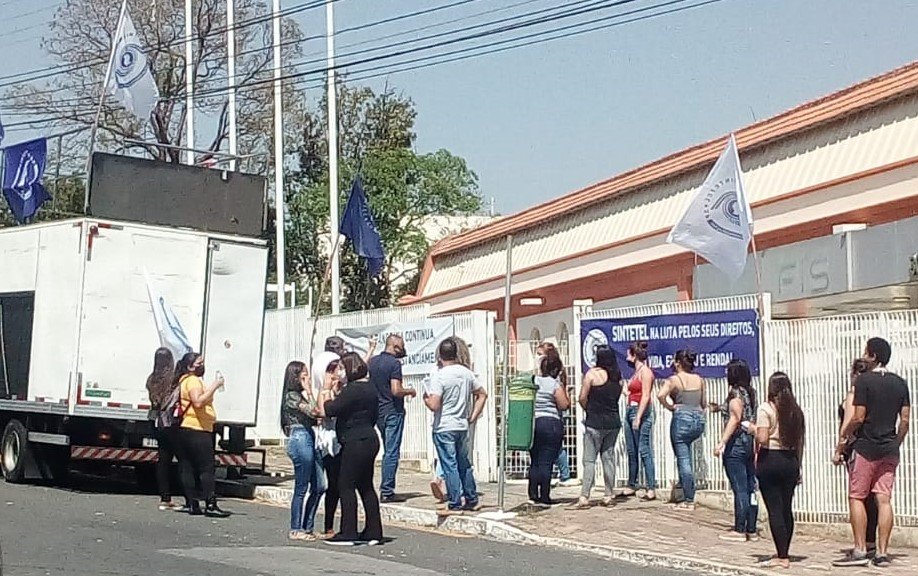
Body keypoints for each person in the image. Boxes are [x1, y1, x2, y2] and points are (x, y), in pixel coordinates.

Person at [835, 338, 910, 569]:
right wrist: (896, 441)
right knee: (884, 499)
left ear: (874, 356)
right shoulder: (900, 383)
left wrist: (843, 438)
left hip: (866, 447)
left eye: (867, 352)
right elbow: (905, 420)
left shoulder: (864, 381)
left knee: (857, 496)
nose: (864, 356)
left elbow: (858, 417)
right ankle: (883, 552)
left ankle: (860, 549)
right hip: (889, 449)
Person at [320, 352, 383, 546]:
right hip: (369, 438)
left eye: (341, 368)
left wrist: (325, 390)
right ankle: (374, 531)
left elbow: (329, 410)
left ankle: (348, 532)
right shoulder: (371, 388)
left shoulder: (353, 389)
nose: (339, 372)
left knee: (345, 485)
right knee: (365, 485)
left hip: (354, 441)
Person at [424, 338, 489, 515]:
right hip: (461, 424)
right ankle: (471, 498)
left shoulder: (439, 376)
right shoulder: (466, 373)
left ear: (440, 356)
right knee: (464, 463)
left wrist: (426, 399)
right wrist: (473, 416)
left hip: (444, 425)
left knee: (449, 465)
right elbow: (482, 394)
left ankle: (454, 502)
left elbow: (435, 405)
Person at [755, 372, 805, 570]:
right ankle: (785, 550)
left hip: (771, 458)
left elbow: (762, 439)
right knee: (786, 507)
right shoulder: (796, 412)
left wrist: (752, 428)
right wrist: (798, 466)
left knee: (774, 508)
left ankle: (782, 555)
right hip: (790, 460)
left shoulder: (766, 409)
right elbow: (800, 442)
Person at [832, 359, 876, 565]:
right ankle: (870, 541)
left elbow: (849, 422)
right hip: (876, 447)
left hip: (856, 448)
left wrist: (839, 447)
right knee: (874, 497)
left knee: (858, 496)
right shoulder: (873, 393)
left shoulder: (854, 395)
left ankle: (861, 544)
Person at [175, 352, 230, 518]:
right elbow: (198, 401)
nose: (202, 365)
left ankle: (192, 502)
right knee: (206, 467)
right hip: (197, 428)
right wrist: (215, 385)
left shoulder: (184, 380)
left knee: (188, 466)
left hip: (187, 428)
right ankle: (210, 503)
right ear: (191, 366)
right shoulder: (192, 381)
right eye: (200, 363)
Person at [712, 359, 759, 541]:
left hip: (736, 443)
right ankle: (752, 528)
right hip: (749, 442)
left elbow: (735, 417)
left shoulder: (735, 394)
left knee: (740, 488)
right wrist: (718, 407)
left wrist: (722, 442)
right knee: (750, 487)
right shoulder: (750, 393)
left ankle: (740, 528)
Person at [280, 361, 325, 541]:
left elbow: (317, 416)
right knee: (301, 486)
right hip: (299, 437)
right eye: (303, 375)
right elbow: (314, 411)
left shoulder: (300, 396)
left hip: (309, 436)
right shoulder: (292, 396)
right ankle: (296, 528)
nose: (307, 378)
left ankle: (308, 526)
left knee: (320, 485)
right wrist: (309, 390)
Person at [575, 345, 623, 509]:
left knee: (589, 460)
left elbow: (582, 397)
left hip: (595, 421)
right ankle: (609, 494)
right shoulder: (617, 376)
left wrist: (589, 408)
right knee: (608, 458)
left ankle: (584, 496)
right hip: (613, 422)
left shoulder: (592, 375)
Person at [658, 349, 706, 511]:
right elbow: (703, 403)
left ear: (678, 362)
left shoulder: (674, 380)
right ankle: (686, 486)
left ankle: (688, 499)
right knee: (689, 456)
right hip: (698, 418)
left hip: (682, 418)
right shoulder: (699, 379)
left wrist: (671, 407)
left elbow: (660, 395)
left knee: (683, 459)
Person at [370, 334, 414, 503]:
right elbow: (396, 390)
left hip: (378, 411)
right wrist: (410, 391)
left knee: (387, 450)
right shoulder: (394, 364)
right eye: (401, 347)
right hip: (393, 411)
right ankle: (387, 490)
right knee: (391, 451)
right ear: (395, 347)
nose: (403, 350)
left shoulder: (373, 362)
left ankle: (385, 488)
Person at [527, 348, 571, 507]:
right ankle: (544, 495)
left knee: (535, 460)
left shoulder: (532, 381)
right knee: (546, 461)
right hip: (551, 424)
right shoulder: (554, 384)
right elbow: (564, 404)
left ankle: (532, 493)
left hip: (533, 423)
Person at [145, 347, 185, 511]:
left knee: (163, 461)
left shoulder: (152, 379)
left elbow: (155, 403)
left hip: (157, 422)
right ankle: (189, 496)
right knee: (183, 460)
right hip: (172, 423)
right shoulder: (173, 379)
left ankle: (165, 497)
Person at [312, 351, 344, 538]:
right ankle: (308, 523)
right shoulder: (315, 391)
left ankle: (329, 525)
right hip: (322, 443)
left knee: (336, 485)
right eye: (330, 369)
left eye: (336, 368)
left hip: (337, 443)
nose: (334, 373)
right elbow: (323, 412)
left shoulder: (339, 389)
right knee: (319, 485)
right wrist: (325, 390)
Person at [623, 341, 657, 500]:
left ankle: (651, 486)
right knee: (631, 449)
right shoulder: (635, 373)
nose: (626, 357)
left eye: (629, 354)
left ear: (634, 355)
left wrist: (638, 417)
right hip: (630, 408)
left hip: (640, 412)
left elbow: (646, 395)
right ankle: (632, 482)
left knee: (644, 449)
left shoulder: (646, 372)